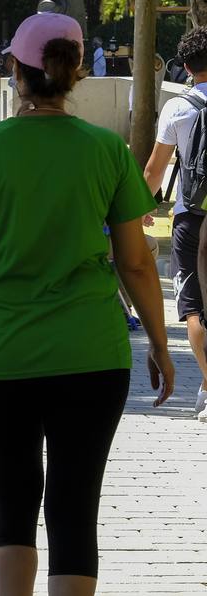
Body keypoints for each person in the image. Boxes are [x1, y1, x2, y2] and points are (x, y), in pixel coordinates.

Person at [0, 12, 173, 595]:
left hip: (2, 353)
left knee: (13, 489)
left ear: (16, 70)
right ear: (76, 70)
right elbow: (136, 261)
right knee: (76, 500)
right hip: (93, 354)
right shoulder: (106, 149)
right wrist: (160, 341)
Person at [143, 26, 207, 421]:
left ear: (184, 66)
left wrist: (136, 210)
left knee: (194, 310)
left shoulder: (177, 107)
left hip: (191, 217)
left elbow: (154, 169)